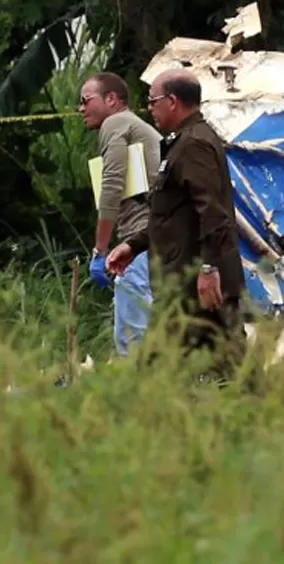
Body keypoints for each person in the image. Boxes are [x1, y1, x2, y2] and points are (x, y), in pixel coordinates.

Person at [106, 70, 246, 374]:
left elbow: (213, 212)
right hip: (184, 283)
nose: (150, 109)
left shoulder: (194, 144)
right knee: (224, 370)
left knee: (214, 369)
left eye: (153, 101)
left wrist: (209, 269)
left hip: (200, 285)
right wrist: (134, 245)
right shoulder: (183, 142)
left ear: (172, 101)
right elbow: (172, 214)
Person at [79, 72, 160, 357]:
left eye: (86, 100)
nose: (81, 108)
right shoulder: (138, 127)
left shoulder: (116, 122)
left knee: (132, 337)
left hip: (139, 239)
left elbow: (111, 184)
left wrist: (100, 250)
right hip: (157, 237)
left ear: (111, 99)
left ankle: (138, 398)